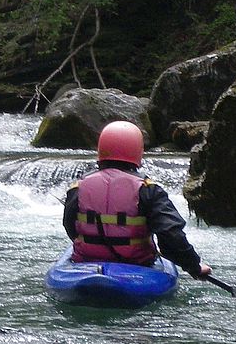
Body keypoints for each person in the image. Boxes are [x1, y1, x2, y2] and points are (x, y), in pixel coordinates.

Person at [61, 120, 212, 280]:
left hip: (87, 262)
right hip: (137, 265)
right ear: (137, 151)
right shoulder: (148, 190)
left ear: (101, 150)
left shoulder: (79, 187)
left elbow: (70, 226)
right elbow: (170, 233)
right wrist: (193, 266)